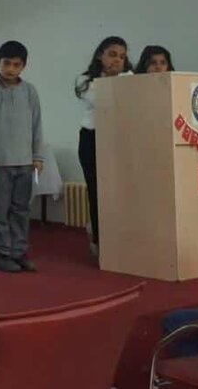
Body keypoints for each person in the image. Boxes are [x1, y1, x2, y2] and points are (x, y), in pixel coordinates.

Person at [0, 41, 44, 273]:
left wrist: (38, 156)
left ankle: (19, 252)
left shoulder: (30, 91)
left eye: (16, 64)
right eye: (6, 63)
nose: (11, 69)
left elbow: (37, 126)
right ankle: (2, 253)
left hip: (25, 162)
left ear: (23, 66)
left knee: (21, 210)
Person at [75, 36, 131, 256]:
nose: (117, 60)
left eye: (122, 56)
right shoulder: (85, 80)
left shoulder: (131, 78)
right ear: (101, 55)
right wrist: (112, 78)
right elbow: (103, 100)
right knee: (97, 192)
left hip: (120, 139)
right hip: (92, 138)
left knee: (121, 192)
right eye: (112, 55)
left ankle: (122, 240)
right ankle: (100, 242)